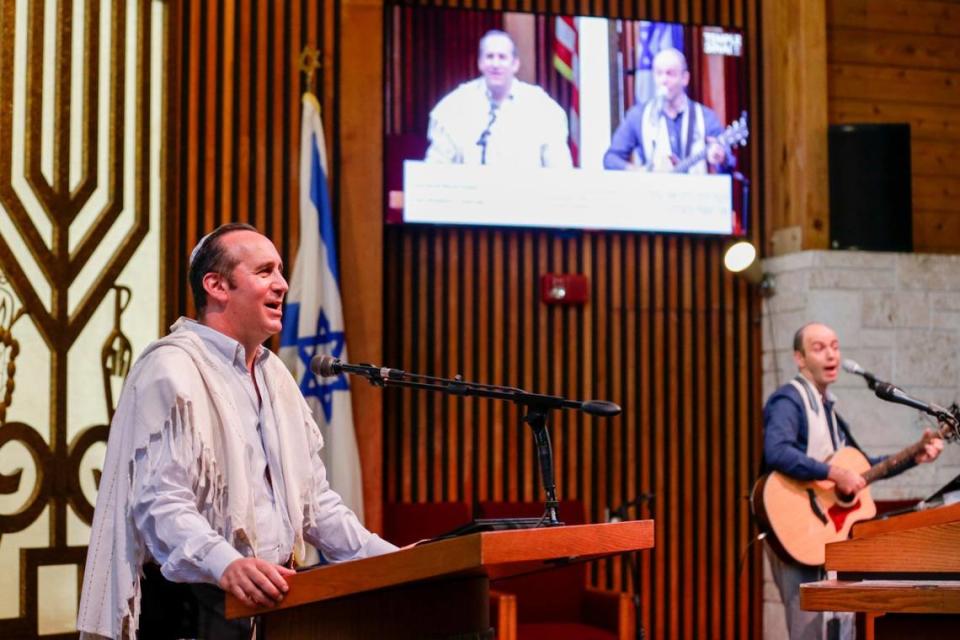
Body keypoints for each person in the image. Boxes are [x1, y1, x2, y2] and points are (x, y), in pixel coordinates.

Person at [77, 223, 397, 639]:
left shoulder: (275, 375)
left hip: (277, 603)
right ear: (216, 285)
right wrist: (225, 562)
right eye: (265, 272)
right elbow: (162, 504)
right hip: (195, 609)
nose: (282, 284)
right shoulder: (171, 368)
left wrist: (392, 560)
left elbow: (315, 504)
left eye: (280, 270)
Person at [762, 322, 943, 640]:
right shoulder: (788, 400)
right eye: (819, 347)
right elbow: (776, 451)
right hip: (797, 530)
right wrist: (833, 473)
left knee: (839, 627)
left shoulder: (829, 411)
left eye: (835, 346)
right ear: (799, 359)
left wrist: (917, 454)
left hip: (827, 535)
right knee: (809, 632)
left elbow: (863, 471)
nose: (831, 354)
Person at [424, 30, 573, 168]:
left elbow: (560, 171)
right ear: (480, 63)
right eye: (489, 57)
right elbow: (435, 168)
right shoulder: (454, 106)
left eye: (502, 57)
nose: (495, 64)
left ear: (515, 64)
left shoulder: (542, 108)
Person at [603, 47, 728, 173]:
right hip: (654, 191)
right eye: (659, 73)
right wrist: (637, 171)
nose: (664, 80)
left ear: (685, 78)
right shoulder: (638, 115)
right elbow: (611, 159)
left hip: (695, 191)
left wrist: (721, 156)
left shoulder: (705, 116)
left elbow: (728, 159)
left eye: (670, 74)